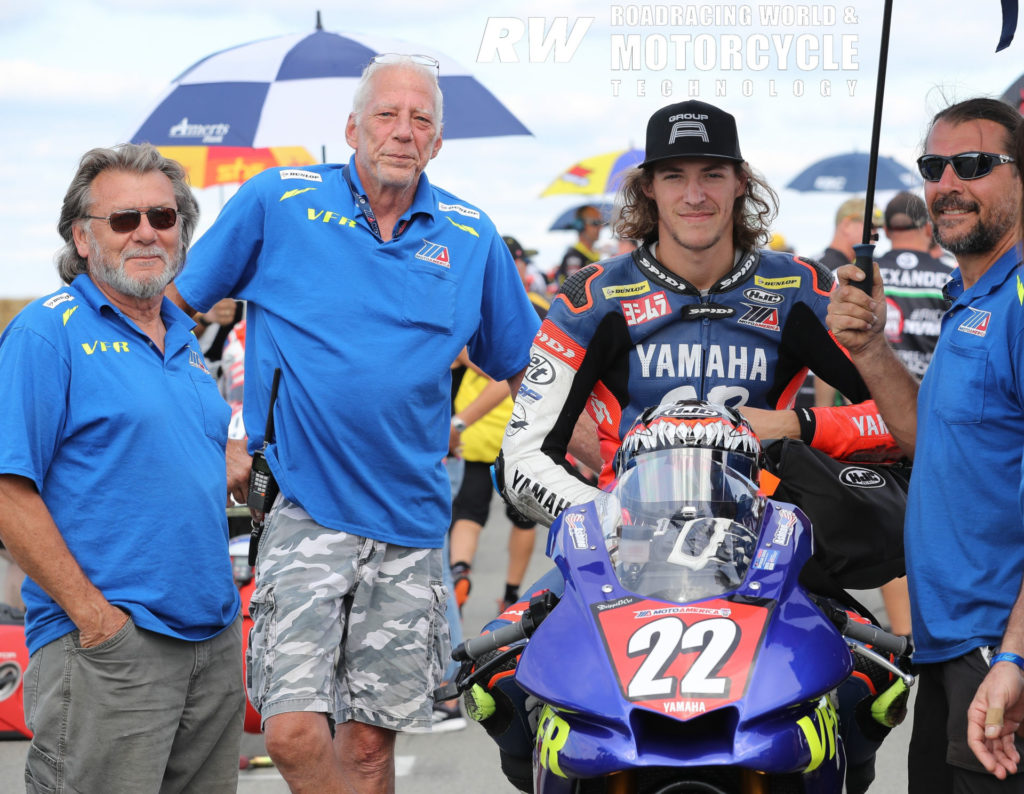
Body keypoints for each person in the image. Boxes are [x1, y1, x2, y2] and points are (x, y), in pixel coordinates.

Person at [493, 98, 900, 794]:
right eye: (674, 175)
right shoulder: (590, 296)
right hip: (622, 559)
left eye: (712, 173)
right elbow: (519, 456)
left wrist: (802, 428)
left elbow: (899, 417)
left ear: (741, 182)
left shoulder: (801, 287)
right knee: (500, 681)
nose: (694, 194)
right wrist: (596, 519)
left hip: (773, 555)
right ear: (646, 187)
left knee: (877, 682)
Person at [167, 54, 539, 793]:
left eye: (421, 120)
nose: (403, 132)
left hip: (409, 521)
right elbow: (173, 316)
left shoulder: (471, 235)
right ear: (351, 129)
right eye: (387, 115)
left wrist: (557, 447)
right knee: (294, 732)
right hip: (302, 504)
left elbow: (525, 363)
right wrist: (220, 431)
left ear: (437, 143)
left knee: (370, 749)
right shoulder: (279, 199)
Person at [0, 143, 244, 793]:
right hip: (111, 649)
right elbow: (7, 491)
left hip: (213, 641)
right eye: (123, 219)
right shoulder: (47, 333)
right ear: (83, 237)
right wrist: (97, 622)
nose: (146, 232)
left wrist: (233, 463)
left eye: (163, 218)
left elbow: (158, 455)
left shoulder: (185, 341)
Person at [827, 97, 1024, 791]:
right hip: (949, 649)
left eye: (973, 163)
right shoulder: (971, 296)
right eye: (934, 166)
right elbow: (928, 441)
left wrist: (1016, 660)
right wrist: (871, 348)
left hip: (1001, 655)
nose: (947, 183)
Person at [448, 237, 550, 617]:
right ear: (519, 267)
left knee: (468, 511)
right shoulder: (537, 309)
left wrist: (457, 422)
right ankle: (511, 595)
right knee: (522, 516)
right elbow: (518, 373)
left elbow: (455, 360)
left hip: (473, 432)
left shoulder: (469, 307)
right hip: (521, 429)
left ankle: (460, 571)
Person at [817, 196, 883, 271]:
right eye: (871, 227)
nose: (876, 234)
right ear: (847, 226)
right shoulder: (832, 270)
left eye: (879, 228)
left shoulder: (819, 262)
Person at [550, 203, 604, 289]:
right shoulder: (573, 256)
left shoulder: (594, 255)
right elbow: (574, 289)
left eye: (601, 222)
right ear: (580, 225)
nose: (601, 227)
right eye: (595, 223)